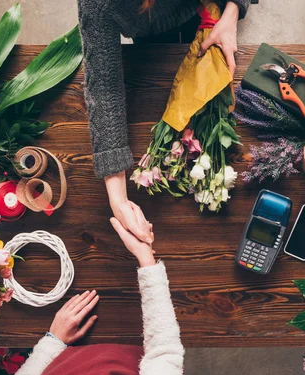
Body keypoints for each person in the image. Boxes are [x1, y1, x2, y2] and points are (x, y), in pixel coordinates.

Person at [77, 0, 251, 244]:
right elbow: (104, 89)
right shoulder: (99, 4)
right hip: (151, 31)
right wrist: (118, 199)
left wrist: (232, 13)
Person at [0, 210, 184, 375]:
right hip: (122, 361)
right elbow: (163, 354)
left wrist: (52, 341)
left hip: (73, 359)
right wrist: (147, 262)